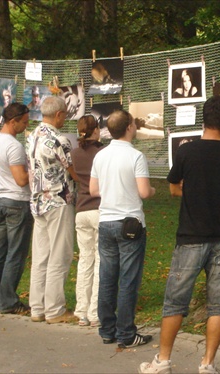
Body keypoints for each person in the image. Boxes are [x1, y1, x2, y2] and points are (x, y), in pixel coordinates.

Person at [139, 96, 220, 374]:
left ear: (204, 120)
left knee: (175, 300)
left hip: (191, 235)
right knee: (219, 304)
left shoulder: (186, 151)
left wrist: (194, 189)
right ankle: (208, 364)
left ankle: (162, 361)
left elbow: (174, 188)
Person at [89, 110, 156, 346]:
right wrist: (153, 191)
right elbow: (144, 192)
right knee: (128, 280)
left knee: (107, 277)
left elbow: (93, 190)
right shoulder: (136, 156)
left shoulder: (100, 156)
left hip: (106, 221)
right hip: (130, 223)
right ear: (129, 127)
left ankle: (107, 329)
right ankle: (126, 333)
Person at [26, 96, 79, 324]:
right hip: (59, 200)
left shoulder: (31, 136)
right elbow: (72, 170)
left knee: (41, 257)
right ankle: (55, 309)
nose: (65, 118)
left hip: (38, 200)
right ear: (58, 115)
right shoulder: (59, 139)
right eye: (65, 114)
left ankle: (37, 307)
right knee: (60, 254)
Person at [0, 103, 33, 314]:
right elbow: (21, 180)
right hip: (17, 201)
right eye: (24, 122)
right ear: (13, 121)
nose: (26, 126)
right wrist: (38, 169)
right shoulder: (13, 146)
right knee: (16, 253)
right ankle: (9, 301)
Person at [71, 115, 104, 327]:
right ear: (96, 130)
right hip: (99, 208)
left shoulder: (75, 153)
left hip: (81, 209)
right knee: (101, 259)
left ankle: (81, 310)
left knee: (85, 259)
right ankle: (95, 312)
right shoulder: (101, 153)